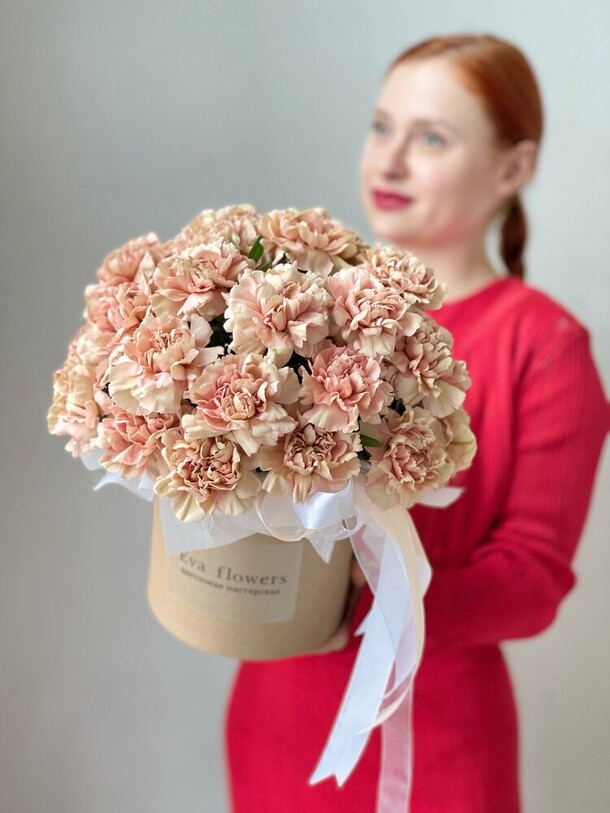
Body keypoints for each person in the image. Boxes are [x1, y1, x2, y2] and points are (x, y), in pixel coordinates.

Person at [224, 33, 608, 812]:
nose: (390, 161)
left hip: (436, 736)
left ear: (513, 169)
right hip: (278, 711)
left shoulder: (544, 345)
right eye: (382, 127)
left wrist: (365, 604)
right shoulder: (295, 311)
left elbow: (532, 580)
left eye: (431, 138)